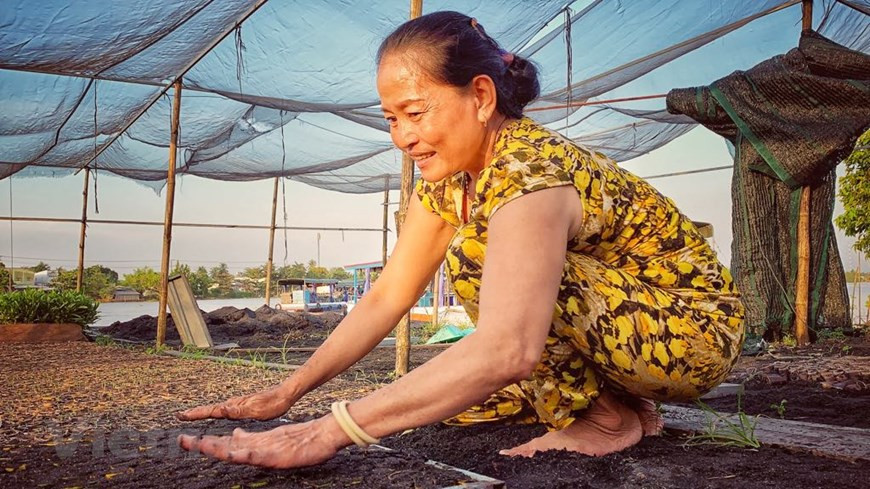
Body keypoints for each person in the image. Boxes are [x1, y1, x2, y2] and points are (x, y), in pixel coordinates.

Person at [177, 11, 744, 468]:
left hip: (691, 335)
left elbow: (507, 349)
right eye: (391, 119)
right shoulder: (451, 185)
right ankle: (622, 402)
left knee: (476, 263)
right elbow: (386, 296)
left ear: (480, 95)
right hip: (627, 332)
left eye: (415, 112)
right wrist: (290, 392)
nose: (402, 137)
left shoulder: (529, 173)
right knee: (445, 405)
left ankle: (603, 421)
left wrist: (329, 431)